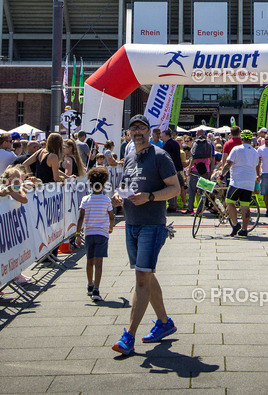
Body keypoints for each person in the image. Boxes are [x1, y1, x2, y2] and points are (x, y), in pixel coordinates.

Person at [109, 114, 181, 356]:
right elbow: (127, 186)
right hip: (131, 223)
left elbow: (175, 189)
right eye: (133, 128)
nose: (137, 131)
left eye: (141, 128)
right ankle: (164, 322)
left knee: (141, 278)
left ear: (150, 132)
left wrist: (150, 197)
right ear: (128, 132)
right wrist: (118, 197)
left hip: (152, 223)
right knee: (147, 275)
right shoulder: (129, 156)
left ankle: (128, 336)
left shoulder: (161, 156)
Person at [75, 166, 115, 303]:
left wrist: (77, 234)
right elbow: (111, 216)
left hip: (89, 234)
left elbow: (81, 218)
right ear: (103, 185)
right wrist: (110, 227)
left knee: (89, 260)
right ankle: (97, 288)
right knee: (99, 262)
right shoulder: (106, 200)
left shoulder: (85, 200)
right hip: (102, 234)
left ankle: (90, 284)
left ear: (90, 185)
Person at [215, 129, 261, 237]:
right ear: (251, 140)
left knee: (229, 202)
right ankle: (244, 230)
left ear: (242, 139)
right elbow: (257, 165)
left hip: (237, 181)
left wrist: (222, 175)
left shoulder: (236, 149)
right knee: (245, 205)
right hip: (249, 181)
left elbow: (228, 163)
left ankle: (235, 224)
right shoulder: (255, 152)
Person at [184, 129, 216, 214]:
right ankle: (200, 210)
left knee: (192, 190)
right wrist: (211, 169)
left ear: (197, 134)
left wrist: (189, 168)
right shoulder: (210, 144)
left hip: (195, 169)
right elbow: (212, 157)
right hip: (206, 170)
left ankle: (190, 209)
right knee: (203, 191)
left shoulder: (196, 143)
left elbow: (193, 157)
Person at [161, 127, 185, 211]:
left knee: (171, 186)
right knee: (177, 186)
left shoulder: (168, 144)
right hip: (177, 168)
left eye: (162, 136)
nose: (161, 138)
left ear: (167, 136)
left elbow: (165, 157)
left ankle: (172, 205)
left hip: (171, 168)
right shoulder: (175, 143)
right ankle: (174, 204)